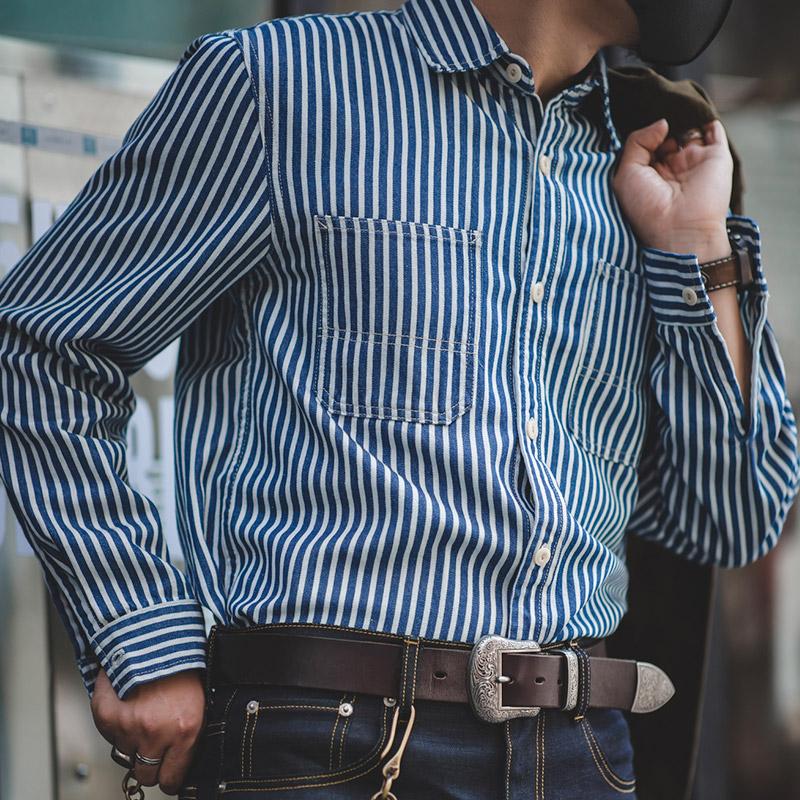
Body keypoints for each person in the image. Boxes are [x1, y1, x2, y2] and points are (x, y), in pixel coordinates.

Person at [0, 0, 797, 797]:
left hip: (581, 751)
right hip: (325, 748)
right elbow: (46, 344)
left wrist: (699, 254)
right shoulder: (280, 86)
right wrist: (141, 633)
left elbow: (730, 515)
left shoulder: (652, 154)